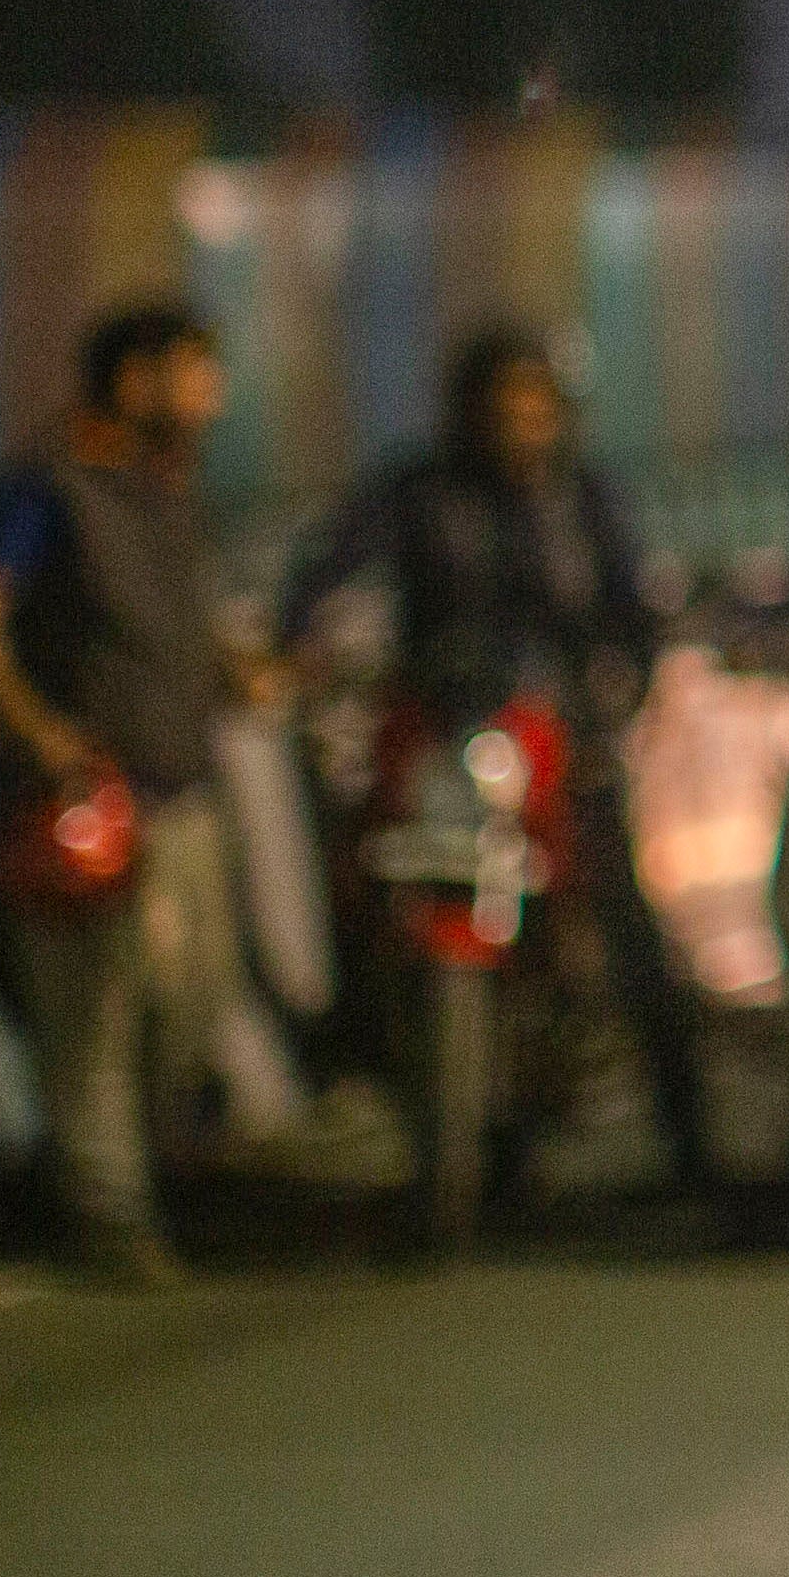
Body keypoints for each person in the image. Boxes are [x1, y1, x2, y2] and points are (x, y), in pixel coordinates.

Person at [282, 325, 712, 1197]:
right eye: (501, 404)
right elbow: (323, 578)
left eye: (534, 405)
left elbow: (632, 607)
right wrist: (299, 646)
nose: (518, 422)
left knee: (629, 939)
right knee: (361, 887)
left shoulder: (582, 500)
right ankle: (354, 1065)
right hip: (442, 738)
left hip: (560, 744)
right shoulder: (417, 494)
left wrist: (628, 680)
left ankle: (693, 1148)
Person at [0, 301, 269, 1288]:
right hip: (86, 805)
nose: (212, 397)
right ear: (134, 381)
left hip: (183, 794)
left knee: (193, 1003)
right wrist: (33, 728)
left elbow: (176, 621)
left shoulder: (167, 491)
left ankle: (148, 1176)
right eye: (194, 373)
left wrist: (237, 668)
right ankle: (108, 1215)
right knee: (90, 1015)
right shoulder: (46, 490)